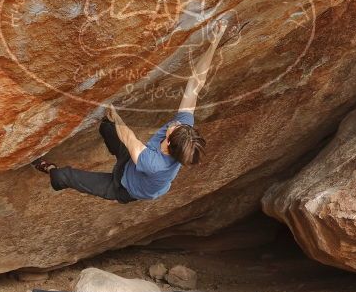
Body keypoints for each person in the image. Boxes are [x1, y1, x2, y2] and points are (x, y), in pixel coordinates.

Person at [31, 20, 226, 203]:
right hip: (131, 163)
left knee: (66, 176)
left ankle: (49, 169)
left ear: (168, 143)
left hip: (124, 188)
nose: (176, 123)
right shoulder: (183, 135)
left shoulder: (155, 164)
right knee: (107, 127)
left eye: (174, 128)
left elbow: (129, 137)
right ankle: (108, 133)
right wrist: (214, 42)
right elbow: (195, 84)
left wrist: (116, 115)